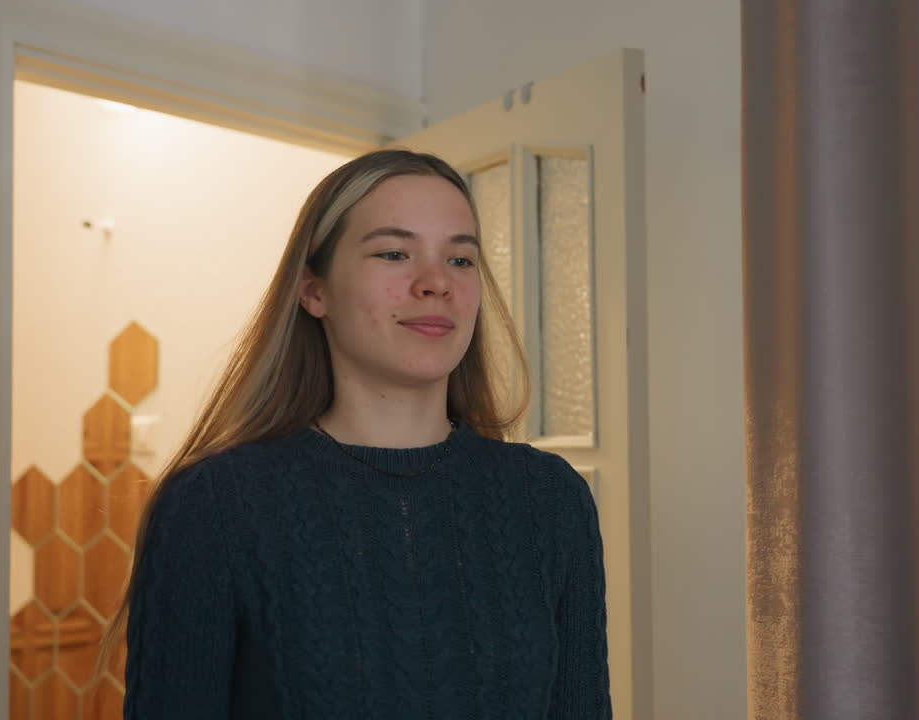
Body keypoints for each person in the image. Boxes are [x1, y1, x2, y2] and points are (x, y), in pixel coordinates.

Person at [106, 149, 612, 719]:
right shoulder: (217, 505)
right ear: (313, 290)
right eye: (394, 253)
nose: (436, 283)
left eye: (462, 259)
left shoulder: (549, 499)